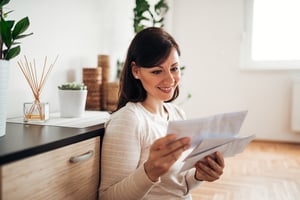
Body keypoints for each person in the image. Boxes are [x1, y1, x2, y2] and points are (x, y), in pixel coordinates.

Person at [99, 27, 225, 200]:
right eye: (157, 71)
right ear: (136, 71)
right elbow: (107, 197)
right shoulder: (129, 120)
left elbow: (181, 185)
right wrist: (149, 172)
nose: (170, 79)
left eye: (174, 68)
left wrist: (200, 175)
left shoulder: (177, 114)